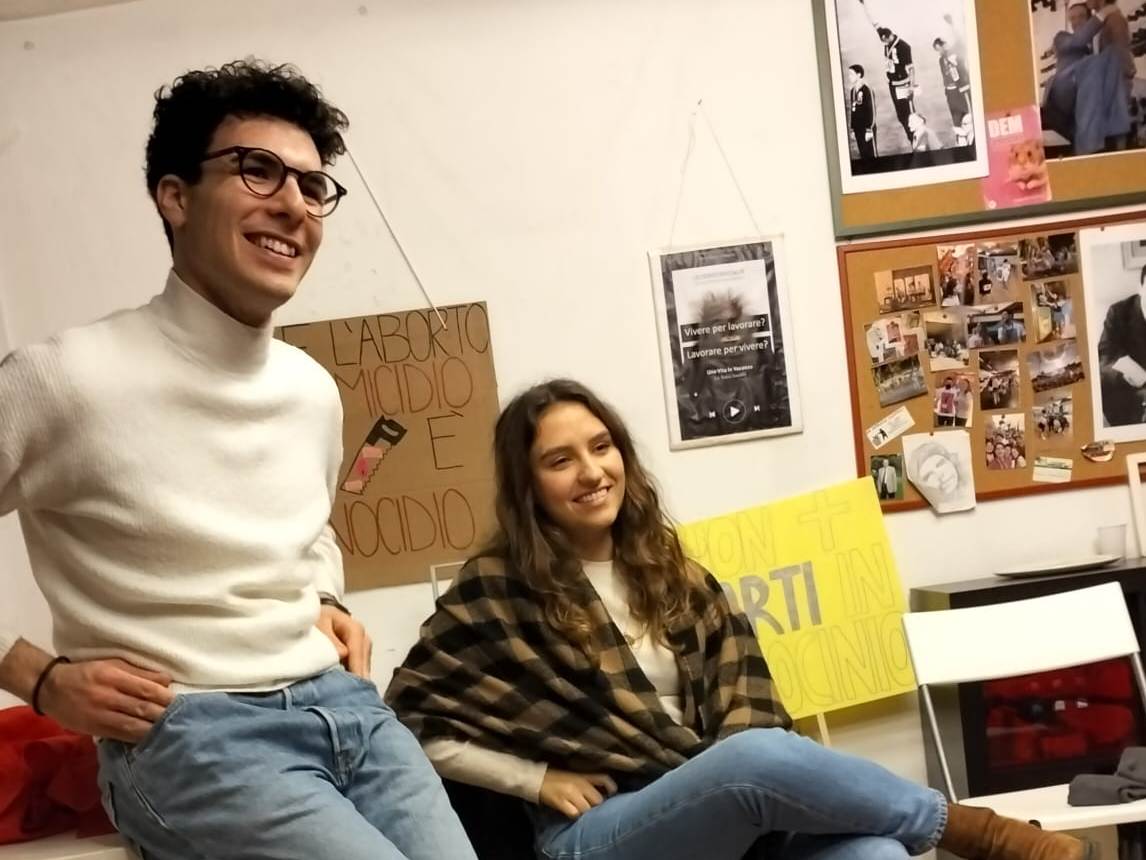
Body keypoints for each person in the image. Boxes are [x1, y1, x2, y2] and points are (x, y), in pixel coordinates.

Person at [0, 61, 475, 860]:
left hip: (346, 710)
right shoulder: (65, 377)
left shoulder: (311, 390)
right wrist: (37, 679)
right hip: (191, 730)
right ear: (175, 196)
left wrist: (325, 595)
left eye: (312, 185)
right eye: (258, 169)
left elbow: (310, 529)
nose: (293, 203)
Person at [386, 378, 1087, 860]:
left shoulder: (671, 570)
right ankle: (975, 833)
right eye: (560, 460)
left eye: (602, 447)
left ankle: (961, 835)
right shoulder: (497, 588)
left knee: (872, 852)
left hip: (722, 809)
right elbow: (410, 723)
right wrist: (536, 779)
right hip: (597, 834)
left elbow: (746, 710)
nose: (592, 472)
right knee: (752, 762)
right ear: (529, 485)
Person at [1098, 263, 1146, 426]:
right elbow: (1104, 356)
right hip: (1128, 389)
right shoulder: (1119, 312)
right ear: (1140, 288)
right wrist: (1124, 374)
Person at [848, 64, 878, 161]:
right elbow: (853, 111)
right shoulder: (852, 91)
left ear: (859, 75)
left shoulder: (867, 90)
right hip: (858, 129)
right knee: (863, 154)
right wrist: (853, 129)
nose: (849, 77)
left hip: (867, 129)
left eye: (851, 74)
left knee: (871, 154)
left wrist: (869, 129)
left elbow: (872, 111)